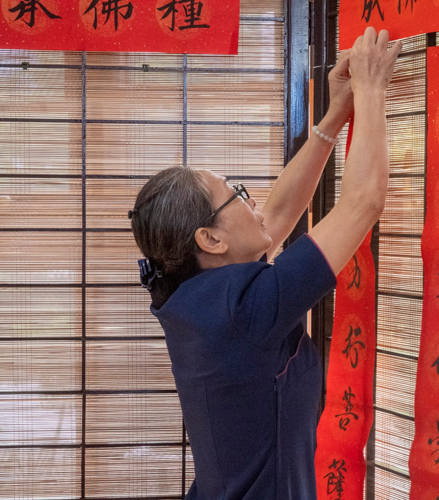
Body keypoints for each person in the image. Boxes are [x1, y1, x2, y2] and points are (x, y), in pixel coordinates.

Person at [129, 27, 401, 500]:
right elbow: (362, 203)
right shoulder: (248, 310)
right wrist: (372, 87)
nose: (250, 197)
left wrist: (335, 116)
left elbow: (272, 220)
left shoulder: (192, 293)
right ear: (210, 239)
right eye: (234, 193)